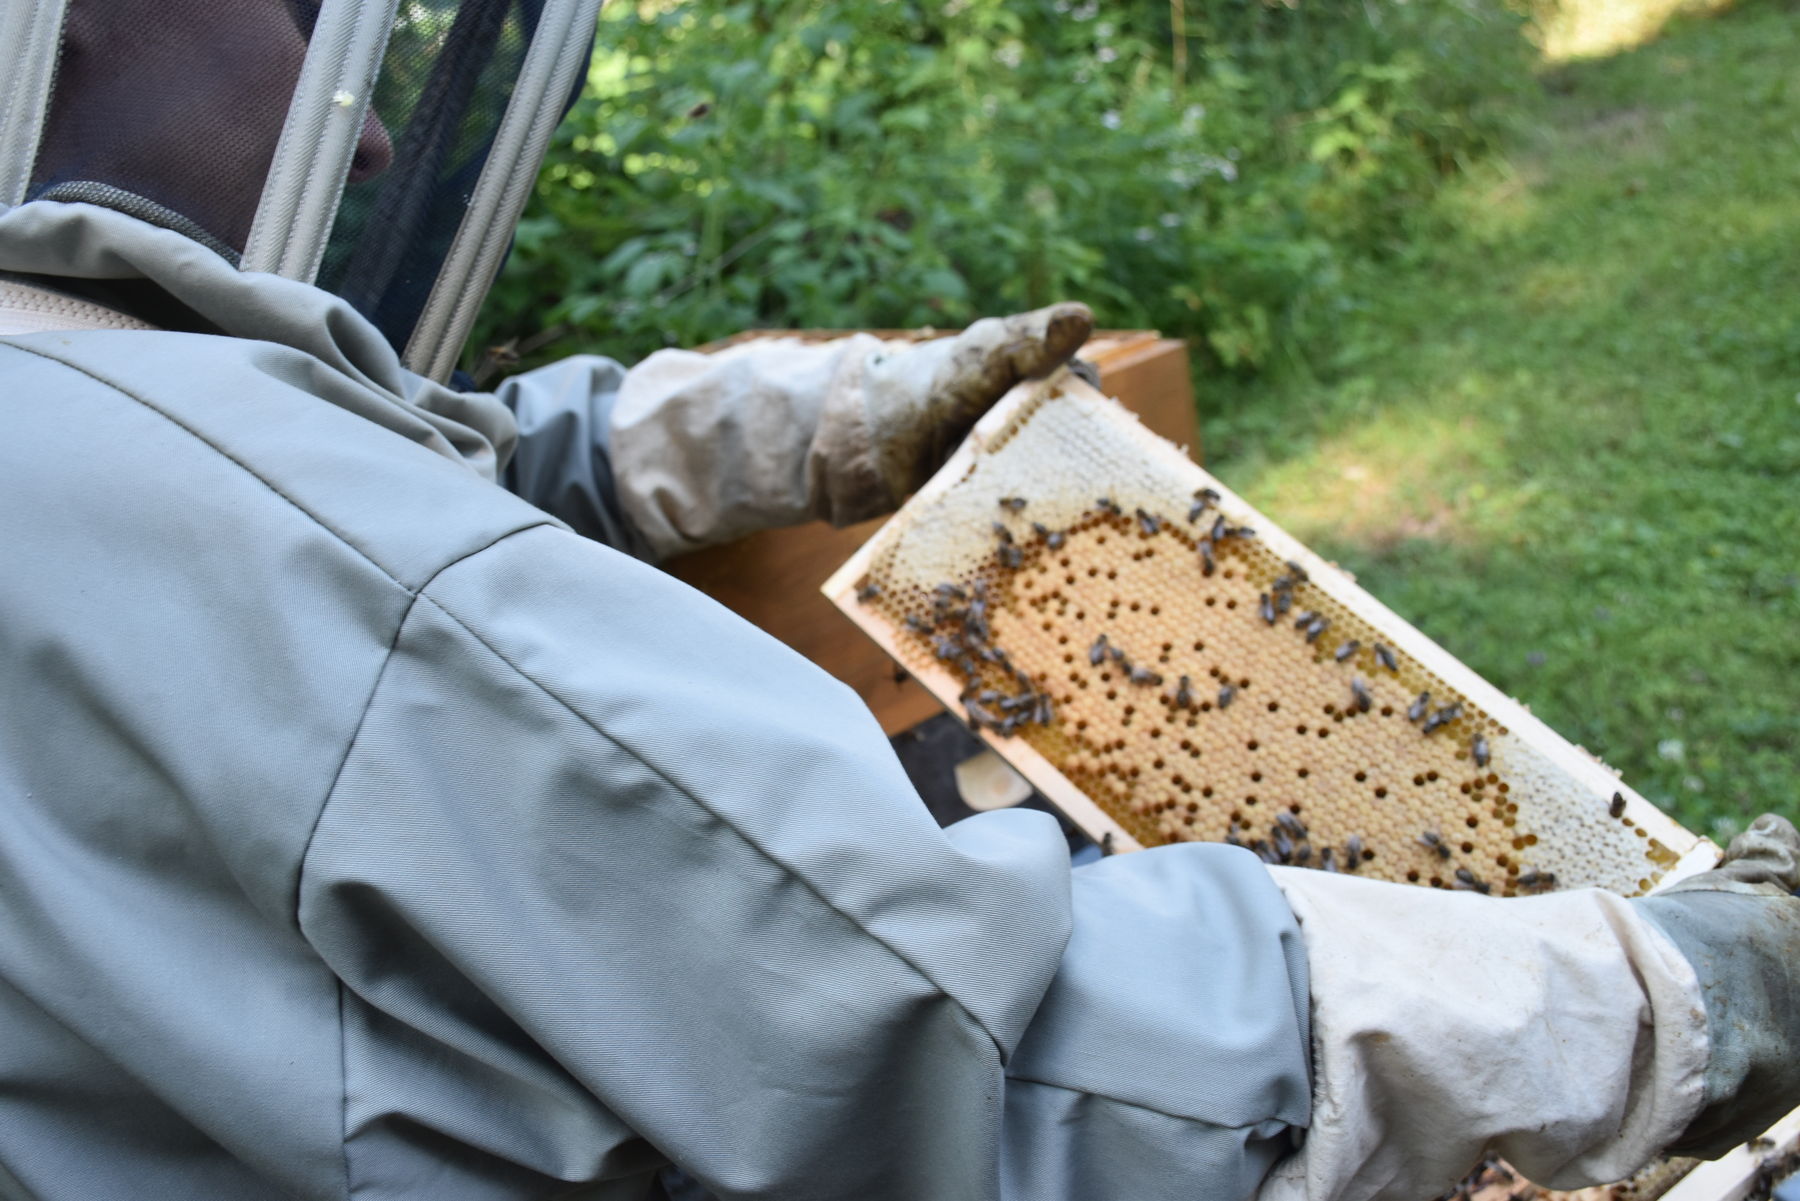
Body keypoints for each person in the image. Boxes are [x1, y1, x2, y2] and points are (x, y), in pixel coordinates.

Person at [0, 2, 1794, 1199]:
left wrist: (833, 420)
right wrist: (1687, 985)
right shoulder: (276, 537)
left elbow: (421, 464)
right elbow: (986, 1045)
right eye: (300, 15)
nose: (375, 142)